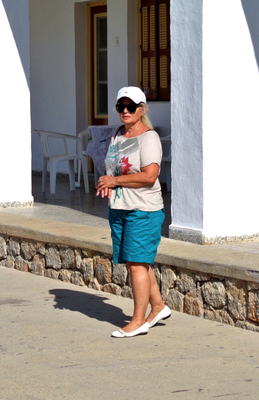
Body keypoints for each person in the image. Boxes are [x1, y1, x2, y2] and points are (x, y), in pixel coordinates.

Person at [96, 86, 171, 338]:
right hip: (120, 207)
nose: (125, 111)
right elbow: (115, 170)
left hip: (143, 209)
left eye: (131, 107)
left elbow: (150, 176)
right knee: (136, 261)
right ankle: (158, 306)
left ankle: (138, 321)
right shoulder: (118, 135)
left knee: (137, 265)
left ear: (142, 109)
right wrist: (107, 181)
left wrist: (114, 182)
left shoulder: (148, 138)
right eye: (121, 106)